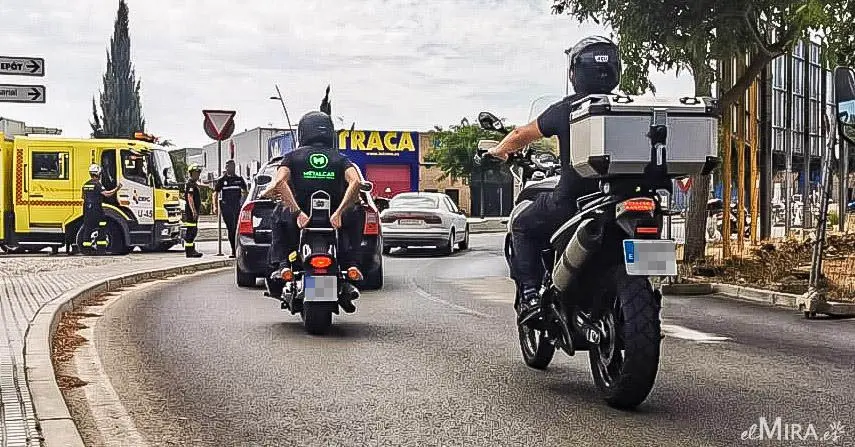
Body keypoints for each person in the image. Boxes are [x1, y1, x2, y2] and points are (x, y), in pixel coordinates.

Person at [483, 36, 621, 326]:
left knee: (522, 225)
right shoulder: (627, 106)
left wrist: (497, 150)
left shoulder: (567, 108)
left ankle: (531, 295)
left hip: (574, 202)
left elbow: (522, 134)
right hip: (620, 199)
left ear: (575, 73)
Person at [260, 111, 362, 312]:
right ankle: (351, 265)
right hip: (333, 220)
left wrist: (297, 212)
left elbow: (279, 182)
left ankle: (282, 265)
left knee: (277, 216)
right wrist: (339, 212)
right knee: (357, 213)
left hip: (300, 219)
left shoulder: (291, 157)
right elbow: (356, 182)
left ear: (303, 132)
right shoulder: (340, 158)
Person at [81, 164, 122, 255]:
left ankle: (87, 251)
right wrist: (117, 189)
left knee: (87, 229)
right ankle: (101, 250)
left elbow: (83, 197)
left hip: (87, 211)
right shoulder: (98, 185)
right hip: (97, 211)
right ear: (98, 174)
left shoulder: (85, 185)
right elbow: (107, 194)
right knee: (102, 228)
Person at [213, 159, 248, 258]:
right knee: (231, 229)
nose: (230, 168)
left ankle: (238, 250)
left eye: (232, 167)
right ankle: (233, 250)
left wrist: (244, 202)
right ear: (226, 168)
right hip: (226, 207)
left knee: (237, 228)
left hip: (237, 206)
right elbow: (215, 193)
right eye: (228, 167)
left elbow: (245, 191)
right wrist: (215, 206)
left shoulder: (239, 179)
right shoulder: (222, 180)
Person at [183, 164, 204, 258]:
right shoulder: (191, 184)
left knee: (193, 230)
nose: (198, 175)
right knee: (191, 231)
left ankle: (191, 250)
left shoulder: (193, 183)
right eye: (196, 173)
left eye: (199, 173)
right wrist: (194, 211)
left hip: (192, 212)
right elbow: (190, 197)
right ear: (192, 173)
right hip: (191, 212)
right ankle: (189, 251)